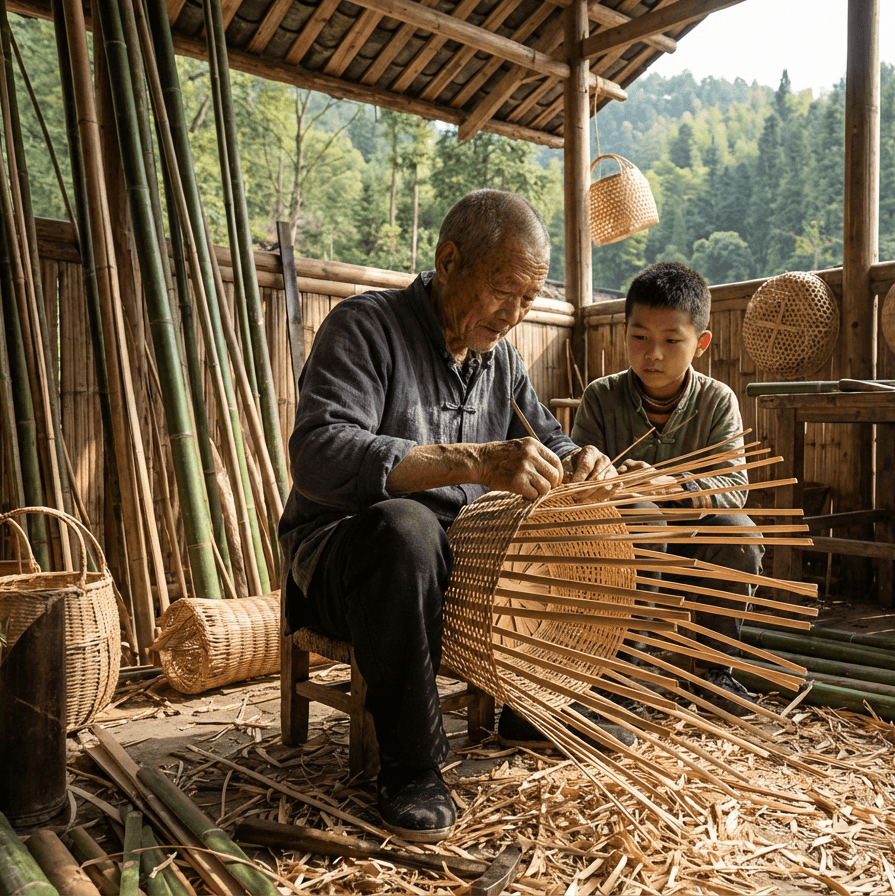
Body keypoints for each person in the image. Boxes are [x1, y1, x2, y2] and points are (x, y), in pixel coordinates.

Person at [278, 190, 613, 843]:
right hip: (354, 569)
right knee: (408, 529)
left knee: (572, 523)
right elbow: (318, 455)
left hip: (456, 573)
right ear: (449, 260)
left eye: (528, 299)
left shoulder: (501, 358)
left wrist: (580, 463)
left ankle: (530, 703)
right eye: (503, 291)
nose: (514, 315)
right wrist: (475, 462)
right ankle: (412, 767)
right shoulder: (364, 327)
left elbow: (549, 438)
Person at [571, 262, 764, 714]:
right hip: (618, 554)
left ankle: (715, 671)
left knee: (741, 532)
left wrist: (673, 485)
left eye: (671, 340)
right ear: (624, 333)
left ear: (701, 343)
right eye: (640, 337)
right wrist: (618, 485)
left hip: (692, 550)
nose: (653, 354)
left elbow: (735, 485)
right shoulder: (601, 396)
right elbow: (574, 475)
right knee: (644, 518)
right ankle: (619, 675)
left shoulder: (717, 400)